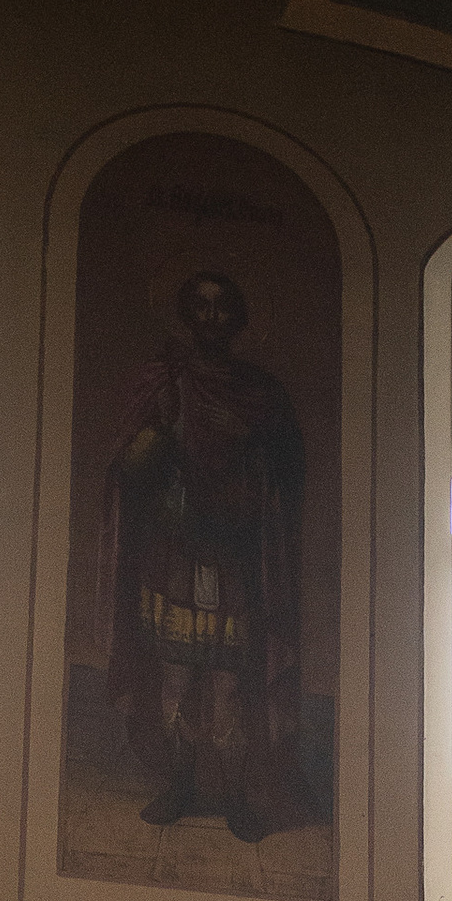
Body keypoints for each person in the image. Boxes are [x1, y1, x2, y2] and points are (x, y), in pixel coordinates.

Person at [101, 270, 307, 844]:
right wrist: (162, 436)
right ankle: (180, 783)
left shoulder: (261, 392)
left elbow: (291, 468)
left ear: (239, 318)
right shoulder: (165, 382)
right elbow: (130, 462)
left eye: (223, 309)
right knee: (174, 670)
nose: (212, 319)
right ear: (186, 315)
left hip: (235, 545)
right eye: (201, 308)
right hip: (175, 541)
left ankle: (238, 793)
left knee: (229, 679)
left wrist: (244, 435)